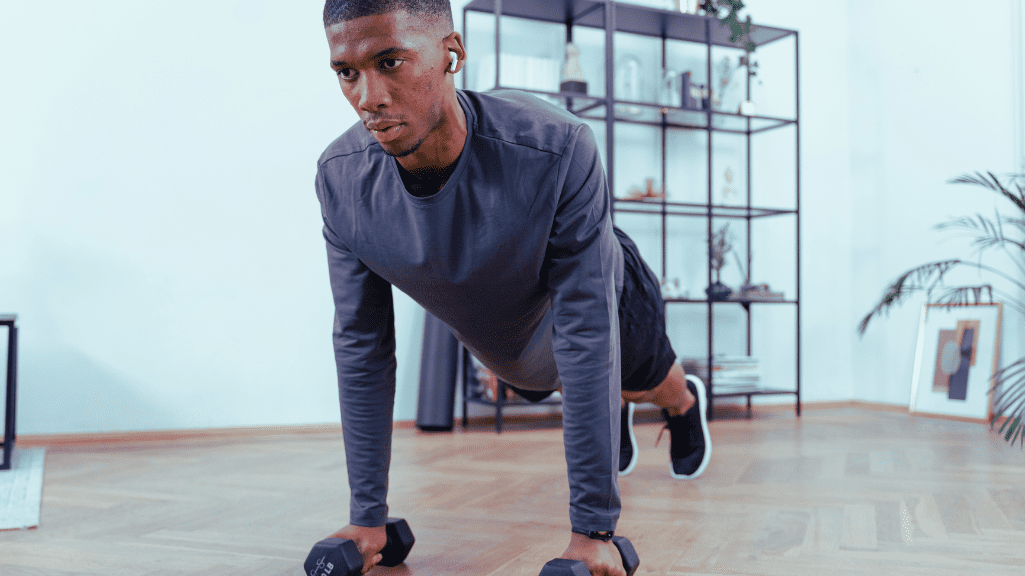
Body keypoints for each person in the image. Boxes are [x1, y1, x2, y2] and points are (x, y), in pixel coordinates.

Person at [313, 1, 711, 574]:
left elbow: (586, 330)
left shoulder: (558, 148)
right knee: (549, 383)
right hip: (514, 341)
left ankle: (683, 402)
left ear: (452, 52)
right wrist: (366, 518)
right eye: (347, 72)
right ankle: (616, 405)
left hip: (609, 292)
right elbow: (361, 343)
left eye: (391, 61)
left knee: (644, 375)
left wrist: (593, 529)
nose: (367, 96)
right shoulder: (340, 180)